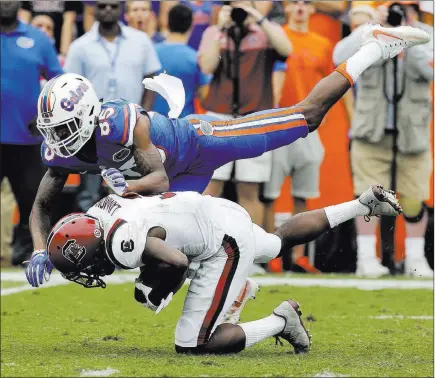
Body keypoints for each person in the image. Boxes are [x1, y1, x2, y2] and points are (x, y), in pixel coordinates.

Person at [24, 22, 430, 286]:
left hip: (202, 140)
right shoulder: (63, 150)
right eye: (53, 131)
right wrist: (42, 248)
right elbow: (42, 205)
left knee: (306, 117)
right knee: (263, 246)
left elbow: (158, 180)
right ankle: (360, 206)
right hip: (184, 181)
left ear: (89, 114)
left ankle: (371, 49)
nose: (59, 138)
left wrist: (121, 191)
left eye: (63, 127)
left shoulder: (121, 122)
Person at [41, 184, 402, 355]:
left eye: (81, 267)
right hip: (212, 210)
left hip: (220, 242)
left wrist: (157, 290)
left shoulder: (119, 243)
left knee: (193, 344)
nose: (86, 274)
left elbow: (176, 261)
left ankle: (281, 321)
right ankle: (359, 204)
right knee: (276, 244)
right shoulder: (100, 213)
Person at [333, 5, 434, 278]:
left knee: (414, 197)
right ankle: (366, 259)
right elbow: (339, 56)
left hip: (412, 132)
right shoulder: (371, 33)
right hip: (371, 128)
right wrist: (370, 30)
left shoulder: (427, 35)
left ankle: (414, 260)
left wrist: (409, 36)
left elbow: (430, 71)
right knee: (369, 196)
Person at [200, 1, 290, 231]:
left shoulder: (266, 32)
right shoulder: (215, 32)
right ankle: (204, 247)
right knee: (211, 187)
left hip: (254, 117)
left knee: (250, 188)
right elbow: (207, 67)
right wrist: (220, 30)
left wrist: (258, 19)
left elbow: (286, 50)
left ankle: (252, 251)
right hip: (219, 115)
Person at [264, 0, 332, 274]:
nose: (301, 7)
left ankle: (299, 257)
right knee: (269, 193)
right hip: (279, 123)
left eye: (306, 2)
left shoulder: (322, 44)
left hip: (309, 126)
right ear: (287, 8)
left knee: (302, 193)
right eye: (295, 2)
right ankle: (270, 254)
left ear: (313, 10)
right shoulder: (278, 39)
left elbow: (333, 84)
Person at [0, 1, 63, 266]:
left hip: (27, 140)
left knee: (34, 203)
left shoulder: (39, 39)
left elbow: (58, 83)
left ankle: (29, 253)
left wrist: (44, 116)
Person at [152, 4, 211, 118]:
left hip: (152, 122)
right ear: (191, 25)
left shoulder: (152, 52)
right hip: (183, 124)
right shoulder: (195, 58)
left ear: (168, 23)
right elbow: (205, 98)